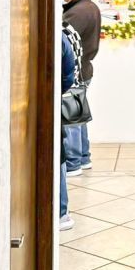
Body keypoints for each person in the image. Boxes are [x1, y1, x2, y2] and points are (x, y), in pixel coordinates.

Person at [62, 0, 101, 177]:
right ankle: (84, 158)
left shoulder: (78, 12)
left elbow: (65, 44)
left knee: (71, 118)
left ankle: (73, 162)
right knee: (78, 114)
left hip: (75, 71)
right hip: (84, 69)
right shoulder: (89, 7)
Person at [59, 26, 80, 230]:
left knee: (59, 155)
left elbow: (66, 77)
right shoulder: (65, 34)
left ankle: (61, 212)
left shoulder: (59, 36)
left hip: (51, 102)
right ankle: (61, 212)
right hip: (55, 98)